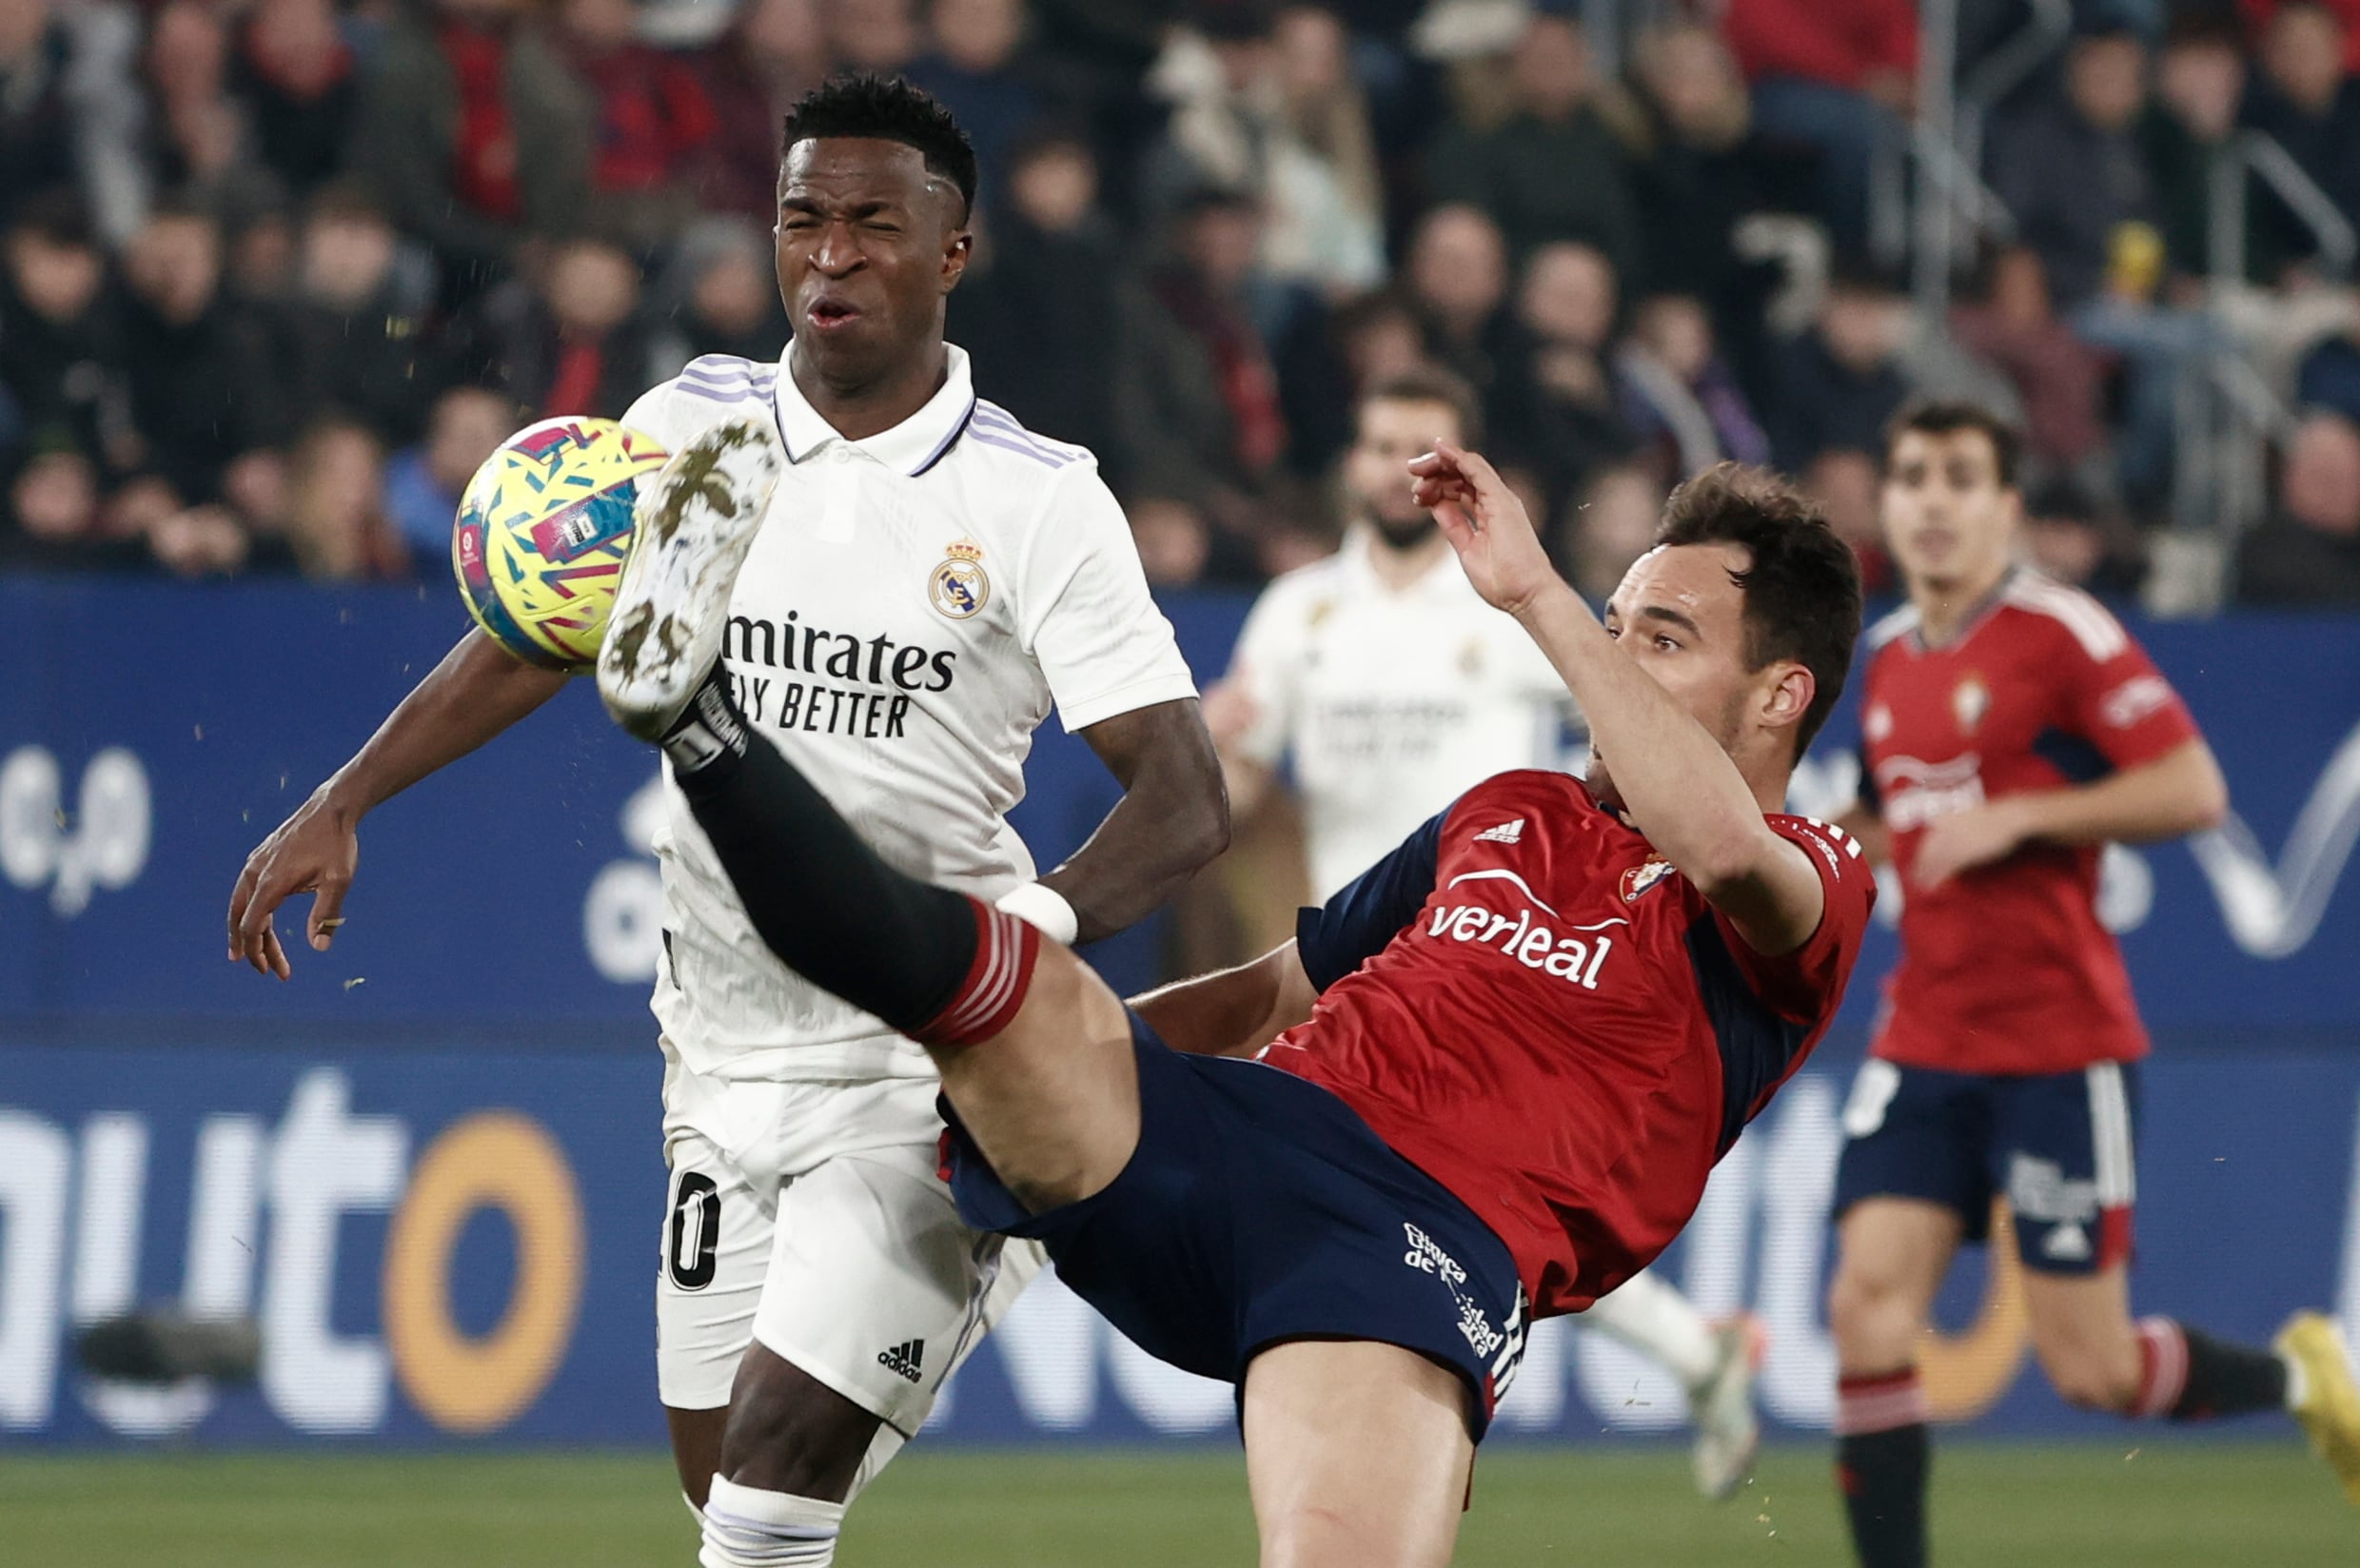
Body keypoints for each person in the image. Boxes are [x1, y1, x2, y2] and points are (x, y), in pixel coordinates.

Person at [226, 75, 1229, 1568]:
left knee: (763, 1490)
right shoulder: (691, 429)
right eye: (802, 219)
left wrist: (1036, 931)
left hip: (924, 1061)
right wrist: (347, 792)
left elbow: (1187, 793)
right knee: (729, 1504)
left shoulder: (1037, 500)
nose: (829, 256)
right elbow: (547, 633)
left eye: (873, 226)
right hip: (717, 1053)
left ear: (953, 251)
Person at [593, 411, 1875, 1565]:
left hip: (1407, 1251)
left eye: (1661, 637)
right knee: (993, 979)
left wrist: (1536, 596)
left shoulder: (1812, 882)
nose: (1610, 657)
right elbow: (1272, 988)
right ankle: (702, 731)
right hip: (1233, 1133)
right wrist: (1068, 1051)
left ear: (1779, 695)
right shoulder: (1507, 810)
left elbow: (1716, 843)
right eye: (1612, 625)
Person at [1210, 363, 1769, 1499]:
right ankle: (1683, 1352)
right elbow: (1239, 768)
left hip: (1498, 948)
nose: (1392, 467)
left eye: (1419, 443)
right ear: (1350, 464)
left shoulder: (1509, 612)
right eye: (1376, 443)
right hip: (1364, 949)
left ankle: (1375, 1432)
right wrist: (1207, 756)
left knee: (1460, 1186)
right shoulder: (1299, 609)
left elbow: (1636, 733)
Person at [1824, 401, 2360, 1568]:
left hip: (2057, 1045)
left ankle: (2298, 1371)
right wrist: (1813, 845)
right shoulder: (1882, 660)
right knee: (1863, 1305)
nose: (1927, 499)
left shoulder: (2059, 632)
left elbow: (2191, 787)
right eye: (1909, 474)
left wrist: (2025, 812)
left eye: (1958, 477)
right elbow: (1882, 810)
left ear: (2004, 507)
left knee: (2093, 1371)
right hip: (1921, 1034)